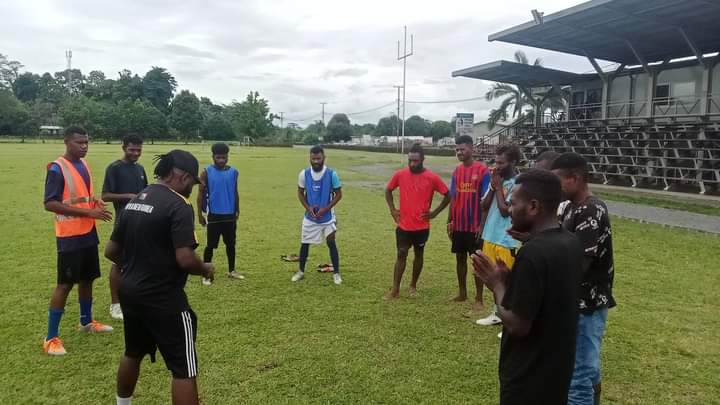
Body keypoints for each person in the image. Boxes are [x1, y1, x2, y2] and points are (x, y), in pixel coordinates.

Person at [105, 150, 215, 405]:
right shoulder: (178, 204)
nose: (190, 189)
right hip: (164, 299)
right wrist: (206, 268)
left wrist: (137, 265)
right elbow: (186, 259)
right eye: (191, 183)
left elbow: (111, 251)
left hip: (130, 292)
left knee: (133, 352)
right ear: (182, 176)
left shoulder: (136, 199)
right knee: (184, 368)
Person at [471, 169, 583, 405]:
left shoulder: (533, 253)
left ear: (533, 206)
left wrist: (496, 284)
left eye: (513, 203)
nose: (509, 209)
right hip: (557, 370)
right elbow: (547, 295)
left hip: (528, 377)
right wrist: (513, 280)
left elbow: (518, 325)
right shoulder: (570, 242)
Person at [42, 126, 114, 356]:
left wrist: (95, 203)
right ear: (66, 142)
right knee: (65, 283)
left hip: (87, 232)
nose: (84, 146)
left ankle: (86, 322)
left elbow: (82, 196)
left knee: (88, 278)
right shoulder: (56, 168)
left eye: (86, 142)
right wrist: (88, 213)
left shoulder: (84, 165)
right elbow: (50, 203)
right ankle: (51, 338)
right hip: (69, 236)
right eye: (79, 143)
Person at [552, 153, 616, 405]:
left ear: (575, 178)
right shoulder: (570, 207)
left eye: (558, 181)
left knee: (578, 375)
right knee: (586, 366)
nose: (555, 187)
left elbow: (581, 263)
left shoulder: (591, 209)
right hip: (575, 300)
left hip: (586, 304)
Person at [384, 143, 450, 299]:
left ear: (422, 160)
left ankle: (413, 285)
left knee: (419, 255)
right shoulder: (400, 175)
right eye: (410, 161)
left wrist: (434, 212)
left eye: (416, 161)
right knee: (401, 254)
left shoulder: (432, 177)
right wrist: (393, 210)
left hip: (421, 227)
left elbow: (448, 195)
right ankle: (395, 290)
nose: (412, 164)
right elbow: (388, 190)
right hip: (403, 226)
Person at [102, 134, 148, 320]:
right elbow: (105, 196)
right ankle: (115, 304)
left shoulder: (140, 169)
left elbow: (144, 192)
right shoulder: (114, 168)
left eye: (138, 150)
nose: (135, 153)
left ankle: (135, 298)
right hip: (124, 221)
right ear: (123, 148)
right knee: (118, 262)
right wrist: (128, 196)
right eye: (132, 149)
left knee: (139, 261)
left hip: (142, 221)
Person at [475, 144, 522, 328]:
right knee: (491, 278)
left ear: (513, 162)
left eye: (501, 162)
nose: (496, 166)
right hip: (490, 235)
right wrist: (494, 187)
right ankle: (497, 313)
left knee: (507, 281)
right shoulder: (496, 180)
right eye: (495, 161)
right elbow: (484, 205)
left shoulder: (518, 184)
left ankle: (510, 318)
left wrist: (500, 186)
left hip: (506, 239)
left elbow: (505, 211)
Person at [446, 135, 490, 310]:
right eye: (457, 149)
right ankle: (462, 293)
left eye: (462, 149)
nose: (459, 152)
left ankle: (479, 298)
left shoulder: (482, 171)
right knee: (460, 258)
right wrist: (450, 220)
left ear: (472, 149)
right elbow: (453, 197)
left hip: (475, 226)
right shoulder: (457, 172)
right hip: (459, 225)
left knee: (477, 261)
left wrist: (482, 224)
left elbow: (486, 201)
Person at [291, 145, 344, 285]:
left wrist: (326, 209)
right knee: (305, 243)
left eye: (318, 158)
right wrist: (308, 208)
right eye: (313, 158)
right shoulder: (304, 174)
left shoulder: (332, 174)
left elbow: (339, 195)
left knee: (331, 242)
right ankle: (301, 271)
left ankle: (336, 273)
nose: (315, 161)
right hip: (310, 217)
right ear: (309, 158)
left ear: (324, 158)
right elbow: (300, 192)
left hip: (327, 217)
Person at [197, 142, 242, 285]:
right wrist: (199, 214)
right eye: (218, 157)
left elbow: (235, 191)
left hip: (229, 215)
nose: (222, 160)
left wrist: (237, 208)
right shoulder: (206, 172)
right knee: (210, 245)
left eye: (224, 157)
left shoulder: (234, 172)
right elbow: (200, 194)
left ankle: (232, 270)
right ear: (213, 157)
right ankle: (206, 273)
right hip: (214, 215)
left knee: (231, 244)